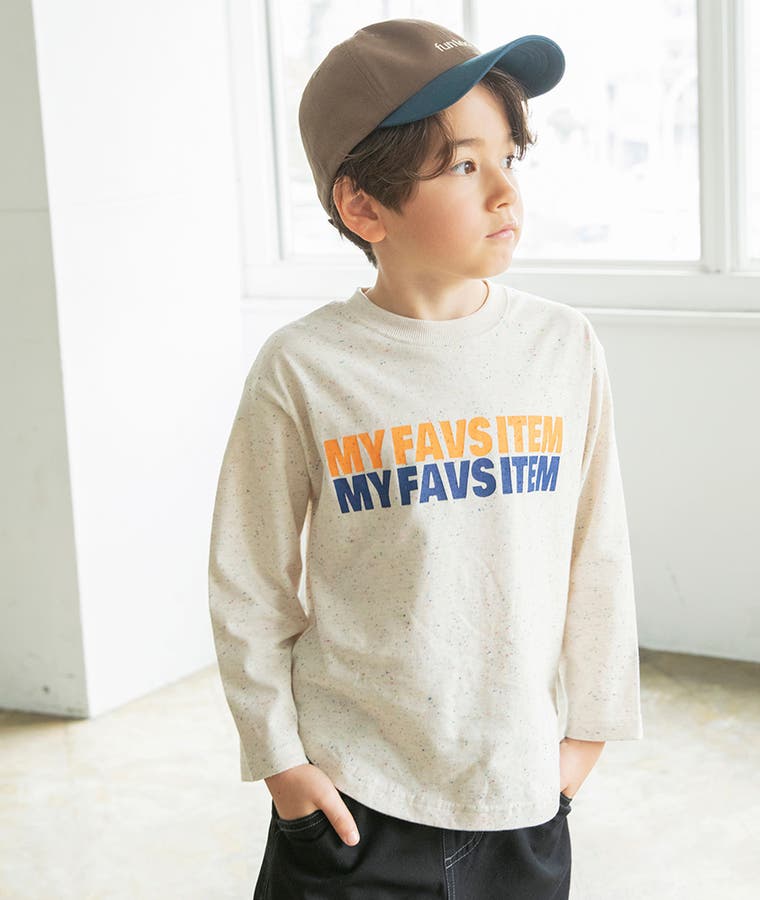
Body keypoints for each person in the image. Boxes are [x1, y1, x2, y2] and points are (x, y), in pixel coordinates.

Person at [207, 17, 643, 900]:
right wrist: (280, 761)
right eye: (464, 166)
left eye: (509, 158)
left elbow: (596, 550)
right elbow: (248, 578)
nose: (506, 193)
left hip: (521, 789)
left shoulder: (563, 346)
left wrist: (586, 739)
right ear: (364, 206)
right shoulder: (304, 367)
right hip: (352, 798)